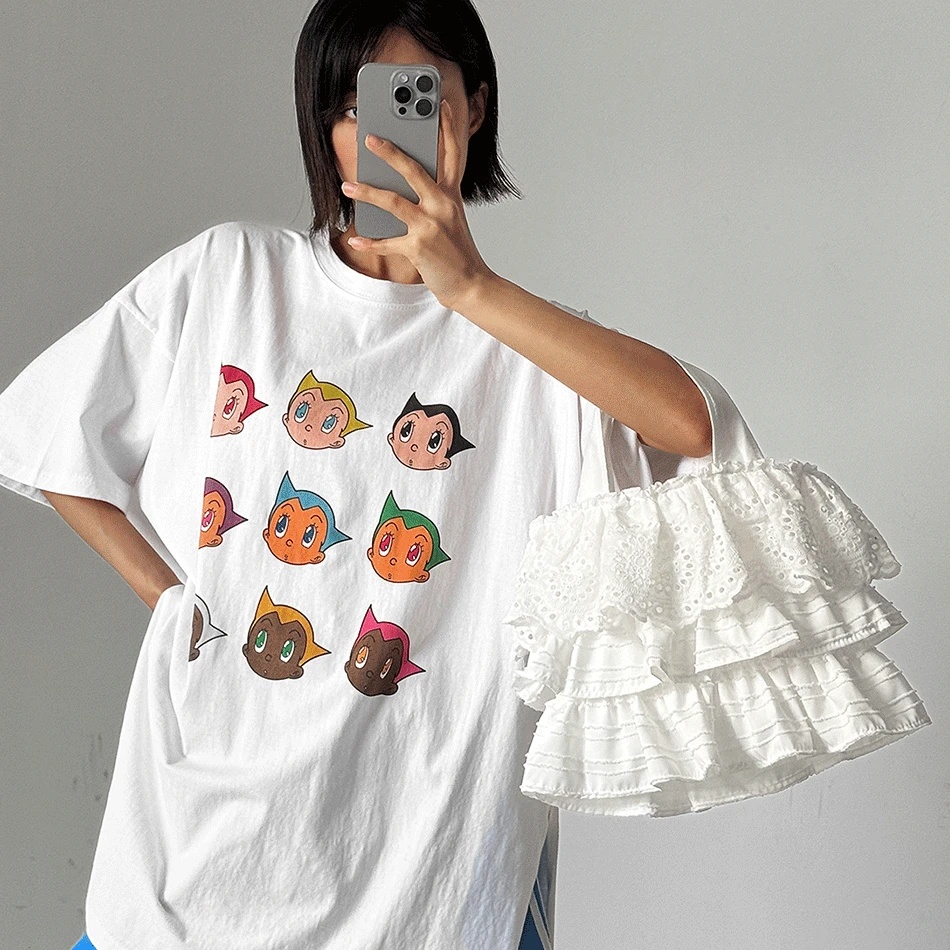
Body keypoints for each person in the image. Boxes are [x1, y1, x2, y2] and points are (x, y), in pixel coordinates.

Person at [1, 2, 716, 948]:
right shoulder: (230, 276)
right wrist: (172, 600)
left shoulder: (530, 352)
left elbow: (691, 426)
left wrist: (472, 288)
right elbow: (44, 426)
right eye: (348, 104)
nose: (376, 132)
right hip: (200, 855)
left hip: (436, 876)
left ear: (475, 108)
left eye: (413, 96)